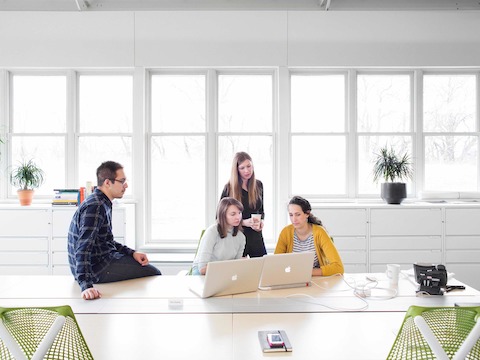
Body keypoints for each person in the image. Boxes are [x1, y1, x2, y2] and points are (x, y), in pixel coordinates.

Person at [68, 161, 161, 300]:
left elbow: (106, 241)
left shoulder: (102, 202)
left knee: (149, 271)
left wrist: (132, 253)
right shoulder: (96, 206)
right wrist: (86, 285)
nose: (126, 185)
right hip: (97, 269)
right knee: (153, 273)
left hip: (102, 259)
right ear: (107, 182)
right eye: (122, 181)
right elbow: (83, 247)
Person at [275, 196, 344, 276]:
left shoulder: (320, 232)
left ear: (307, 214)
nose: (294, 219)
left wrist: (306, 272)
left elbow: (338, 267)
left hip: (316, 281)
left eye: (298, 215)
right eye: (291, 215)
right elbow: (275, 264)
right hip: (291, 278)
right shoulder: (285, 232)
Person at [221, 152, 266, 258]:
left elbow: (261, 211)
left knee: (262, 268)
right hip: (237, 235)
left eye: (249, 166)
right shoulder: (229, 188)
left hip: (256, 236)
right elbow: (221, 216)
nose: (247, 171)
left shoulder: (258, 185)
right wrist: (243, 222)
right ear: (236, 170)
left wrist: (261, 222)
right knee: (240, 271)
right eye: (242, 168)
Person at [191, 197, 246, 275]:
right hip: (202, 273)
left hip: (222, 272)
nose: (238, 217)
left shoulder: (241, 237)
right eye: (233, 214)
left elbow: (235, 266)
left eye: (239, 213)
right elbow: (202, 269)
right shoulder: (212, 232)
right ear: (223, 215)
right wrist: (230, 267)